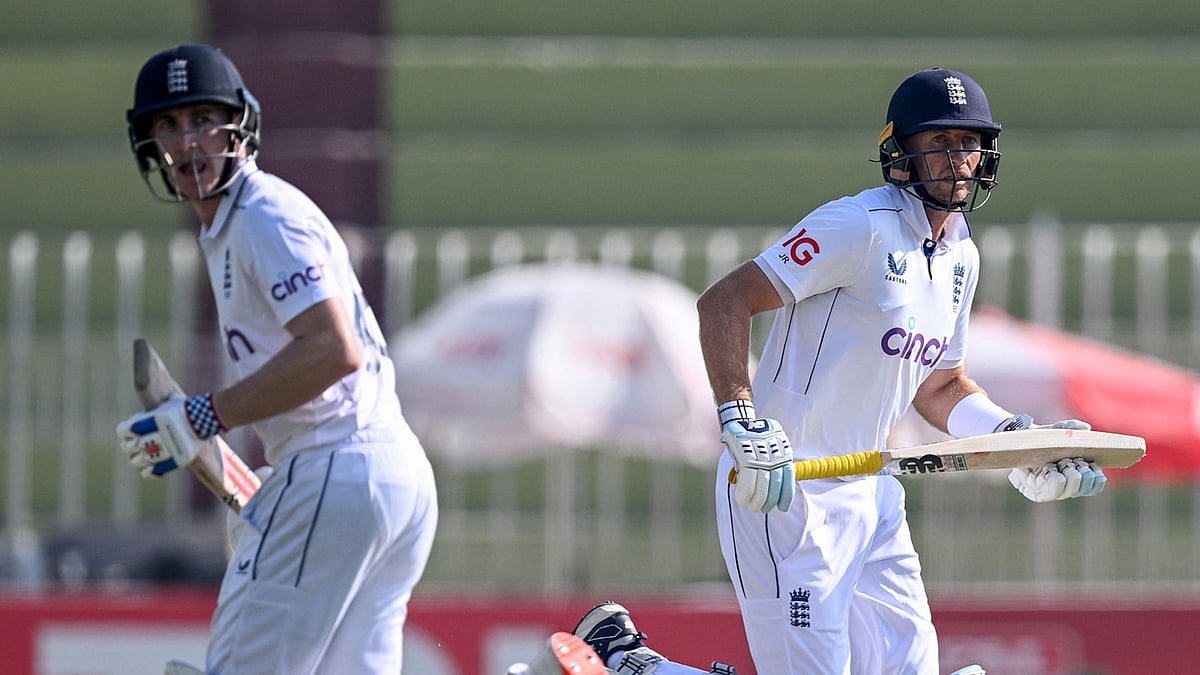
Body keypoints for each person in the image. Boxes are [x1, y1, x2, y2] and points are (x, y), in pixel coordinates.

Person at [695, 67, 1106, 675]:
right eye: (938, 143)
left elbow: (940, 386)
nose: (957, 159)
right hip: (784, 486)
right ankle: (629, 664)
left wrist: (1014, 442)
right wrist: (740, 420)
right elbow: (724, 302)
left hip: (873, 485)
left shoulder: (962, 255)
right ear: (901, 151)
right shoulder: (857, 225)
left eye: (968, 144)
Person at [115, 44, 438, 674]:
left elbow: (331, 350)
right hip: (384, 479)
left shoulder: (263, 217)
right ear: (150, 143)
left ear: (240, 126)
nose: (189, 143)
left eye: (204, 120)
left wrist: (202, 417)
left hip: (336, 469)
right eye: (169, 126)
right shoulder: (235, 225)